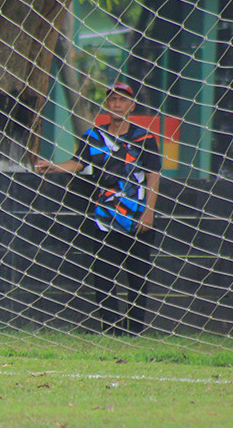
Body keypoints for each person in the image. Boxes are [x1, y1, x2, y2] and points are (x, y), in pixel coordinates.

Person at [34, 81, 161, 336]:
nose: (117, 104)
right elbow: (78, 163)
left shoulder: (145, 138)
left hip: (137, 217)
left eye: (122, 100)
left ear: (131, 105)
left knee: (138, 278)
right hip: (105, 218)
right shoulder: (93, 137)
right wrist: (54, 166)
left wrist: (149, 211)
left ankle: (134, 331)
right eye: (113, 99)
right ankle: (111, 330)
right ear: (106, 104)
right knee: (103, 276)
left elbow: (153, 175)